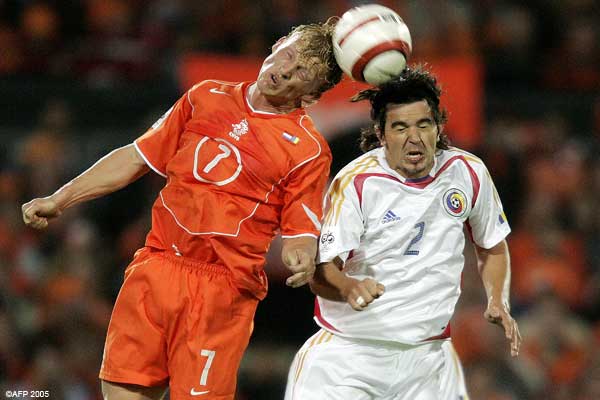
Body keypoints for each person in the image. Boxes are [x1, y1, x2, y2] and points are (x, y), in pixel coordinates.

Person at [21, 18, 343, 400]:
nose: (286, 71)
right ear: (278, 44)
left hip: (221, 290)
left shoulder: (308, 150)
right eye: (288, 55)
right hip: (156, 266)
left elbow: (301, 230)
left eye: (303, 72)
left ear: (312, 95)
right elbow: (136, 157)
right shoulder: (204, 96)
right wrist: (60, 198)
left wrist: (301, 255)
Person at [285, 67, 521, 400]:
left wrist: (497, 299)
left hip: (428, 362)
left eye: (424, 124)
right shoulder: (356, 182)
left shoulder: (468, 172)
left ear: (438, 127)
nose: (414, 137)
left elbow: (492, 245)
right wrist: (349, 286)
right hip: (348, 357)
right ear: (381, 134)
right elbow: (321, 275)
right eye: (400, 127)